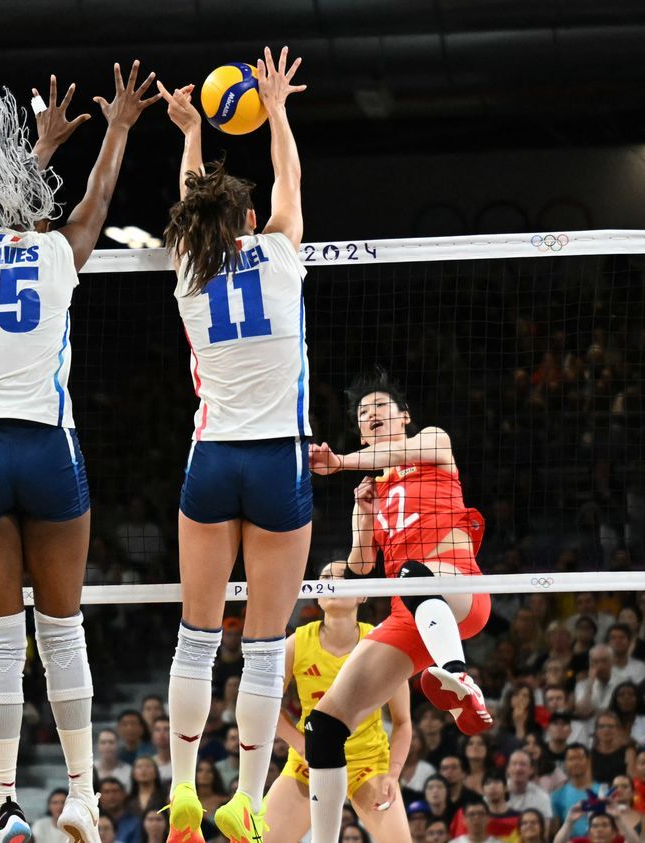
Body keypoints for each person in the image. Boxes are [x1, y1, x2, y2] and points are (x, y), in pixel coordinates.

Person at [0, 61, 159, 843]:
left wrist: (34, 150)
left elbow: (10, 208)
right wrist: (119, 129)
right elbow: (93, 203)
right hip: (45, 446)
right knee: (60, 627)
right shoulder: (60, 255)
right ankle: (81, 797)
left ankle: (3, 804)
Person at [155, 45, 310, 843]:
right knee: (265, 643)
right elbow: (289, 183)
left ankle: (184, 789)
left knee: (195, 632)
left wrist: (188, 132)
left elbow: (195, 205)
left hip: (212, 460)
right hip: (276, 462)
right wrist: (276, 108)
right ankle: (245, 800)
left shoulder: (188, 271)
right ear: (250, 222)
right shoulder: (281, 257)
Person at [298, 365, 493, 843]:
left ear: (404, 416)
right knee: (323, 726)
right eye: (364, 414)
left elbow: (402, 452)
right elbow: (361, 567)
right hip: (409, 614)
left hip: (458, 590)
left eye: (381, 407)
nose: (373, 415)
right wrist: (362, 512)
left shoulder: (433, 442)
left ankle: (458, 675)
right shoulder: (374, 488)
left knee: (411, 574)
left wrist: (342, 462)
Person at [263, 563, 412, 843]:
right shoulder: (296, 643)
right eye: (325, 577)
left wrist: (393, 775)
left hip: (369, 764)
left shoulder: (384, 643)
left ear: (362, 595)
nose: (332, 582)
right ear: (317, 595)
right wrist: (300, 744)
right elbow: (266, 705)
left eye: (344, 577)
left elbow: (403, 722)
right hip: (309, 762)